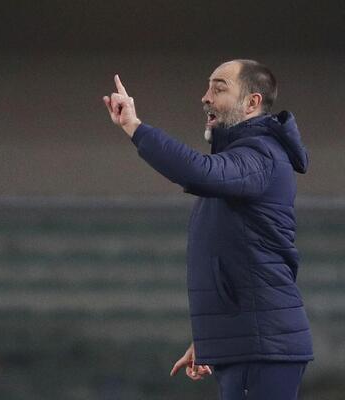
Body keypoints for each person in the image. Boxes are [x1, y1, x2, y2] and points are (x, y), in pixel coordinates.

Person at [103, 59, 314, 400]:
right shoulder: (244, 161)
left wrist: (134, 126)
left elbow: (198, 171)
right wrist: (214, 337)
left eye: (219, 88)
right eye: (207, 88)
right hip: (250, 344)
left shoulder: (261, 155)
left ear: (252, 102)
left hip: (262, 348)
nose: (205, 97)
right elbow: (233, 258)